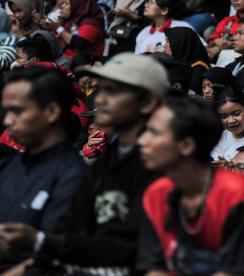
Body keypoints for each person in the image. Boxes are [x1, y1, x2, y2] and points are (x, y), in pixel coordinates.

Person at [0, 53, 169, 275]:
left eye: (113, 91)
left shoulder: (161, 167)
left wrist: (39, 242)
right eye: (101, 89)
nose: (99, 99)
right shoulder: (108, 163)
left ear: (147, 102)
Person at [136, 96, 244, 275]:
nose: (142, 141)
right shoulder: (155, 194)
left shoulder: (240, 194)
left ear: (186, 145)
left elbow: (237, 272)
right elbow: (154, 267)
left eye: (154, 133)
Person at [0, 67, 86, 272]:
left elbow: (56, 257)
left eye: (18, 111)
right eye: (7, 111)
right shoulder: (9, 166)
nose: (7, 121)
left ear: (51, 112)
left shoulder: (74, 178)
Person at [39, 0, 105, 61]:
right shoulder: (70, 21)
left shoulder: (90, 23)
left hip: (77, 63)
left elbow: (80, 45)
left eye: (66, 4)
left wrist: (58, 28)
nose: (62, 6)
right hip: (62, 59)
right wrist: (46, 26)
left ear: (77, 5)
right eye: (62, 4)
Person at [164, 27, 210, 95]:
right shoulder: (175, 64)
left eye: (168, 41)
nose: (164, 45)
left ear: (181, 43)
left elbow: (193, 96)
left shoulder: (199, 69)